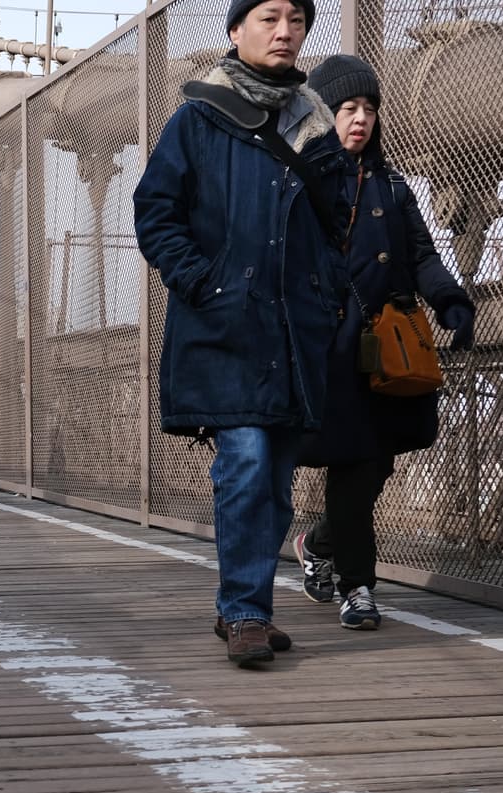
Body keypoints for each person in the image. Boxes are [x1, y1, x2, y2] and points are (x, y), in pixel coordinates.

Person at [133, 0, 344, 666]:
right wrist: (203, 283)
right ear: (235, 30)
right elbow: (155, 210)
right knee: (247, 460)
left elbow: (340, 221)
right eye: (269, 17)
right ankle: (246, 610)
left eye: (297, 20)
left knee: (276, 477)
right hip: (225, 325)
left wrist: (329, 294)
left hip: (294, 330)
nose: (285, 31)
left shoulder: (317, 124)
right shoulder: (198, 117)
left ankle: (246, 608)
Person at [295, 55, 476, 630]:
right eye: (348, 108)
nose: (360, 119)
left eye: (369, 109)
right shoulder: (300, 181)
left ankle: (319, 544)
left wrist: (451, 301)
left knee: (374, 467)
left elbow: (421, 255)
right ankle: (358, 589)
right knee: (355, 463)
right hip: (329, 349)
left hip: (387, 346)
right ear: (323, 113)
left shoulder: (393, 186)